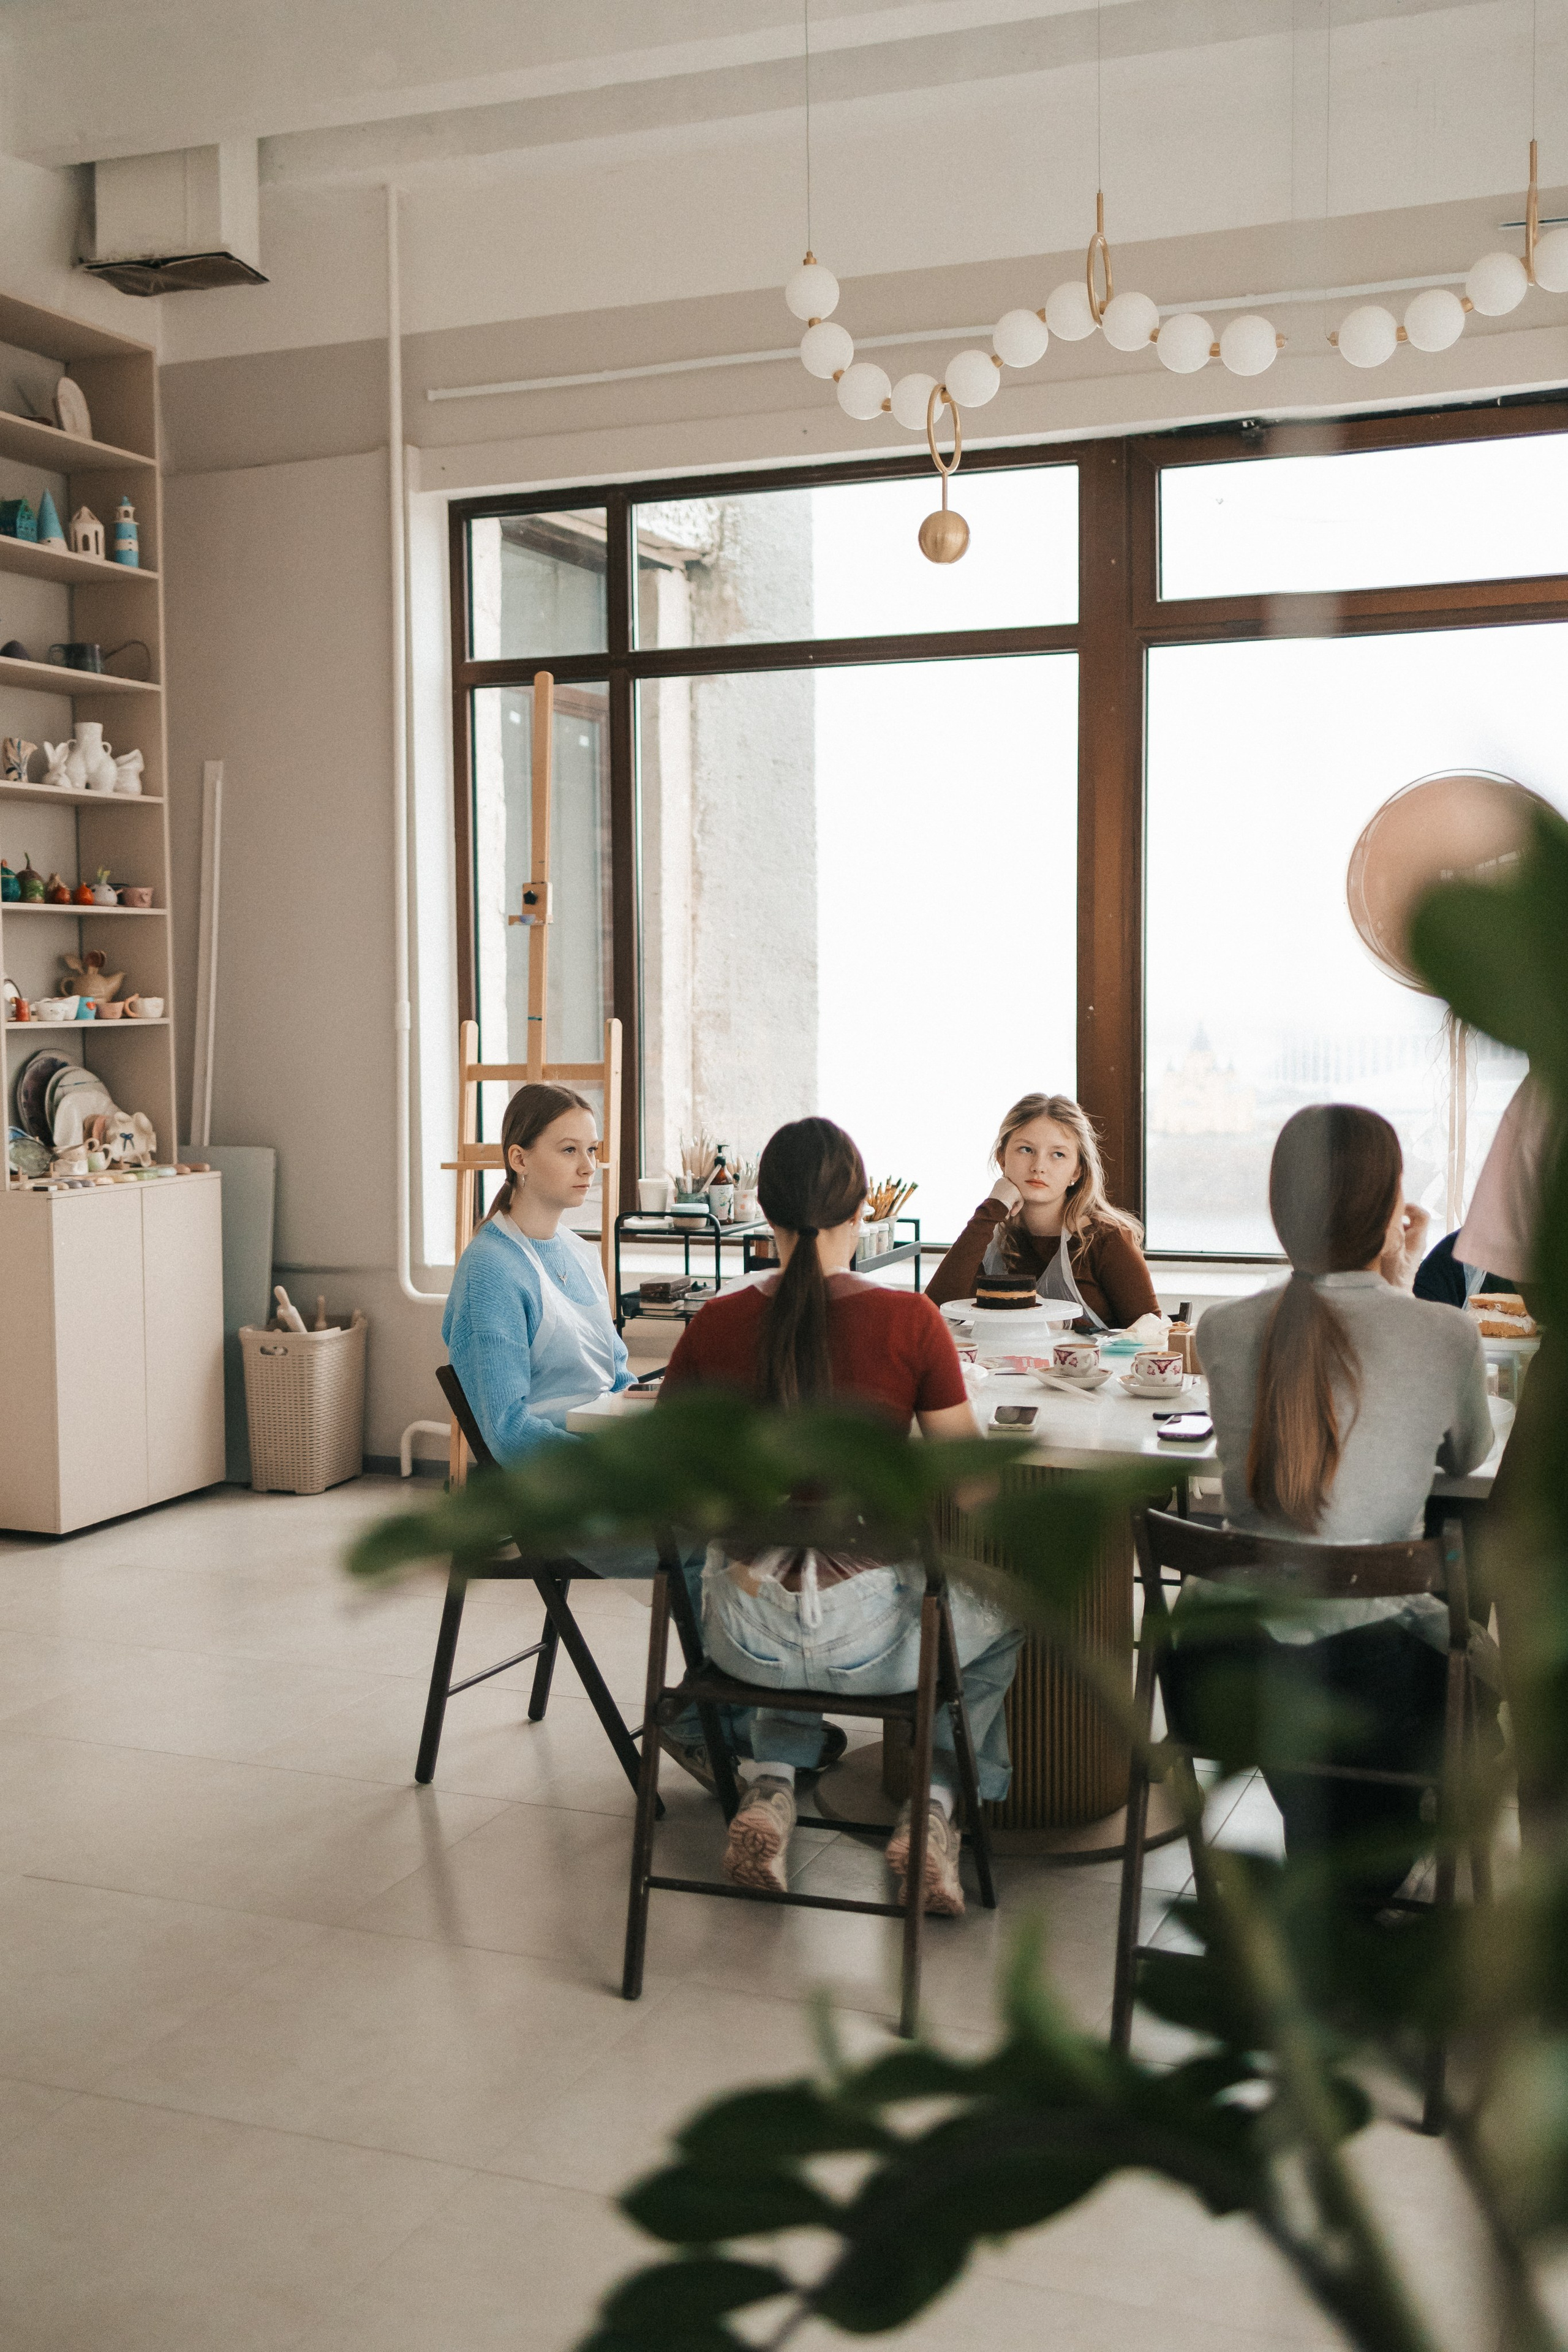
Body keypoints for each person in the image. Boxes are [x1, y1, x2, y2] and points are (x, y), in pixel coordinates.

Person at [659, 1115, 1024, 1915]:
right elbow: (971, 1489)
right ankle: (934, 1810)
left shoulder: (714, 1324)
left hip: (742, 1640)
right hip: (875, 1646)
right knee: (1010, 1615)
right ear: (863, 1213)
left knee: (777, 1577)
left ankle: (770, 1788)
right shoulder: (910, 1322)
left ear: (765, 1211)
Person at [1176, 1104, 1493, 1905]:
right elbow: (1467, 1457)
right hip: (1374, 1690)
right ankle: (1370, 1881)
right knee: (1463, 1650)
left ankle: (1340, 1881)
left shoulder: (1223, 1328)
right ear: (1393, 1211)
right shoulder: (1447, 1334)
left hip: (1222, 1678)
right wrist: (1398, 1276)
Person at [441, 1080, 747, 1779]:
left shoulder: (576, 1252)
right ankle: (718, 1728)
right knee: (710, 1542)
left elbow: (611, 1382)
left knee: (753, 1515)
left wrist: (660, 1399)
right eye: (568, 1149)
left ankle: (748, 1724)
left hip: (607, 1462)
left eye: (593, 1150)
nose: (588, 1166)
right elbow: (510, 1434)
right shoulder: (490, 1271)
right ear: (517, 1158)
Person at [925, 1091, 1159, 1330]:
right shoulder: (987, 1237)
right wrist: (993, 1207)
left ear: (1076, 1172)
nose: (1039, 1167)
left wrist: (1067, 1322)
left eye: (1058, 1155)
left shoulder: (1107, 1240)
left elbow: (1155, 1337)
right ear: (1002, 1159)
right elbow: (933, 1314)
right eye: (1026, 1150)